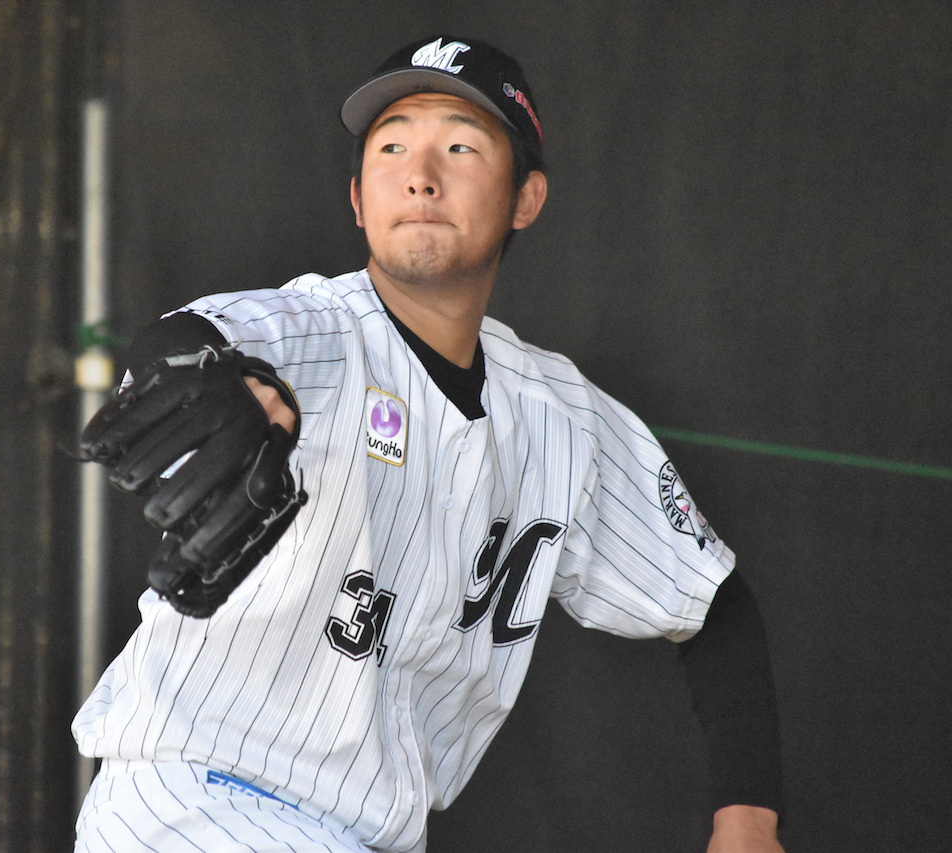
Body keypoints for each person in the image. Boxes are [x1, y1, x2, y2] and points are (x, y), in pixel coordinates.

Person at [72, 35, 785, 852]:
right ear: (356, 198)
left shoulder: (564, 420)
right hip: (193, 802)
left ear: (526, 197)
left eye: (460, 144)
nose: (421, 172)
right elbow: (186, 341)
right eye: (392, 145)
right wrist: (223, 383)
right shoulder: (317, 331)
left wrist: (748, 818)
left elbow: (712, 603)